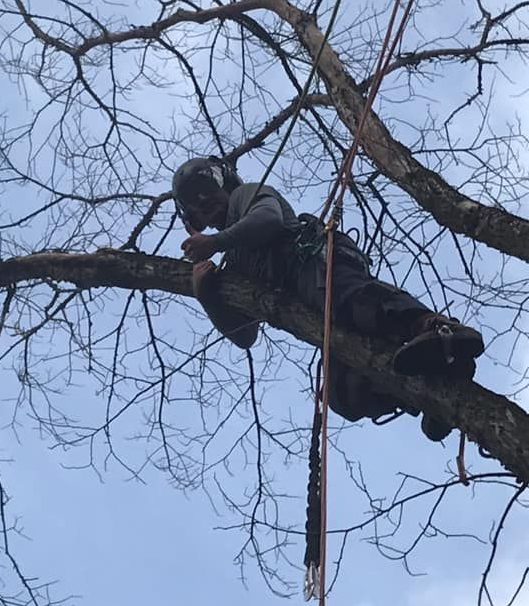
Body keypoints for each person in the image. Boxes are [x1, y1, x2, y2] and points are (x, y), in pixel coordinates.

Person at [172, 156, 484, 441]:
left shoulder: (246, 197)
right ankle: (429, 388)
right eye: (193, 203)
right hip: (311, 309)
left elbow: (268, 220)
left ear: (222, 180)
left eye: (205, 188)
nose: (203, 202)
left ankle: (437, 328)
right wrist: (207, 295)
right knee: (343, 394)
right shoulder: (234, 260)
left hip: (316, 267)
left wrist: (215, 242)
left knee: (353, 302)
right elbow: (245, 335)